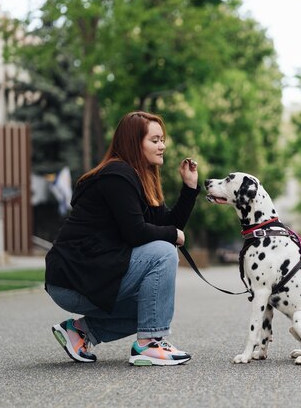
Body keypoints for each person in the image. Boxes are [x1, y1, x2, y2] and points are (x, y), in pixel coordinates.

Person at [45, 111, 200, 366]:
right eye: (155, 140)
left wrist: (190, 189)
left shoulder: (139, 179)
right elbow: (137, 232)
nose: (163, 146)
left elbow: (168, 224)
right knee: (163, 252)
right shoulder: (117, 176)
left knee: (153, 305)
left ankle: (80, 332)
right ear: (134, 142)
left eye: (162, 139)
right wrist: (172, 235)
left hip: (90, 275)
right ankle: (150, 344)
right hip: (73, 278)